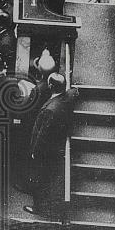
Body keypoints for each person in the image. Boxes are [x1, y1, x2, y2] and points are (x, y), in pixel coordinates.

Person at [22, 73, 79, 218]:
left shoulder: (50, 110)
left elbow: (42, 134)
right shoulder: (67, 97)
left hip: (44, 151)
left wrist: (35, 152)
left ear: (51, 86)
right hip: (55, 147)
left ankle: (38, 207)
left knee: (39, 176)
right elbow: (73, 92)